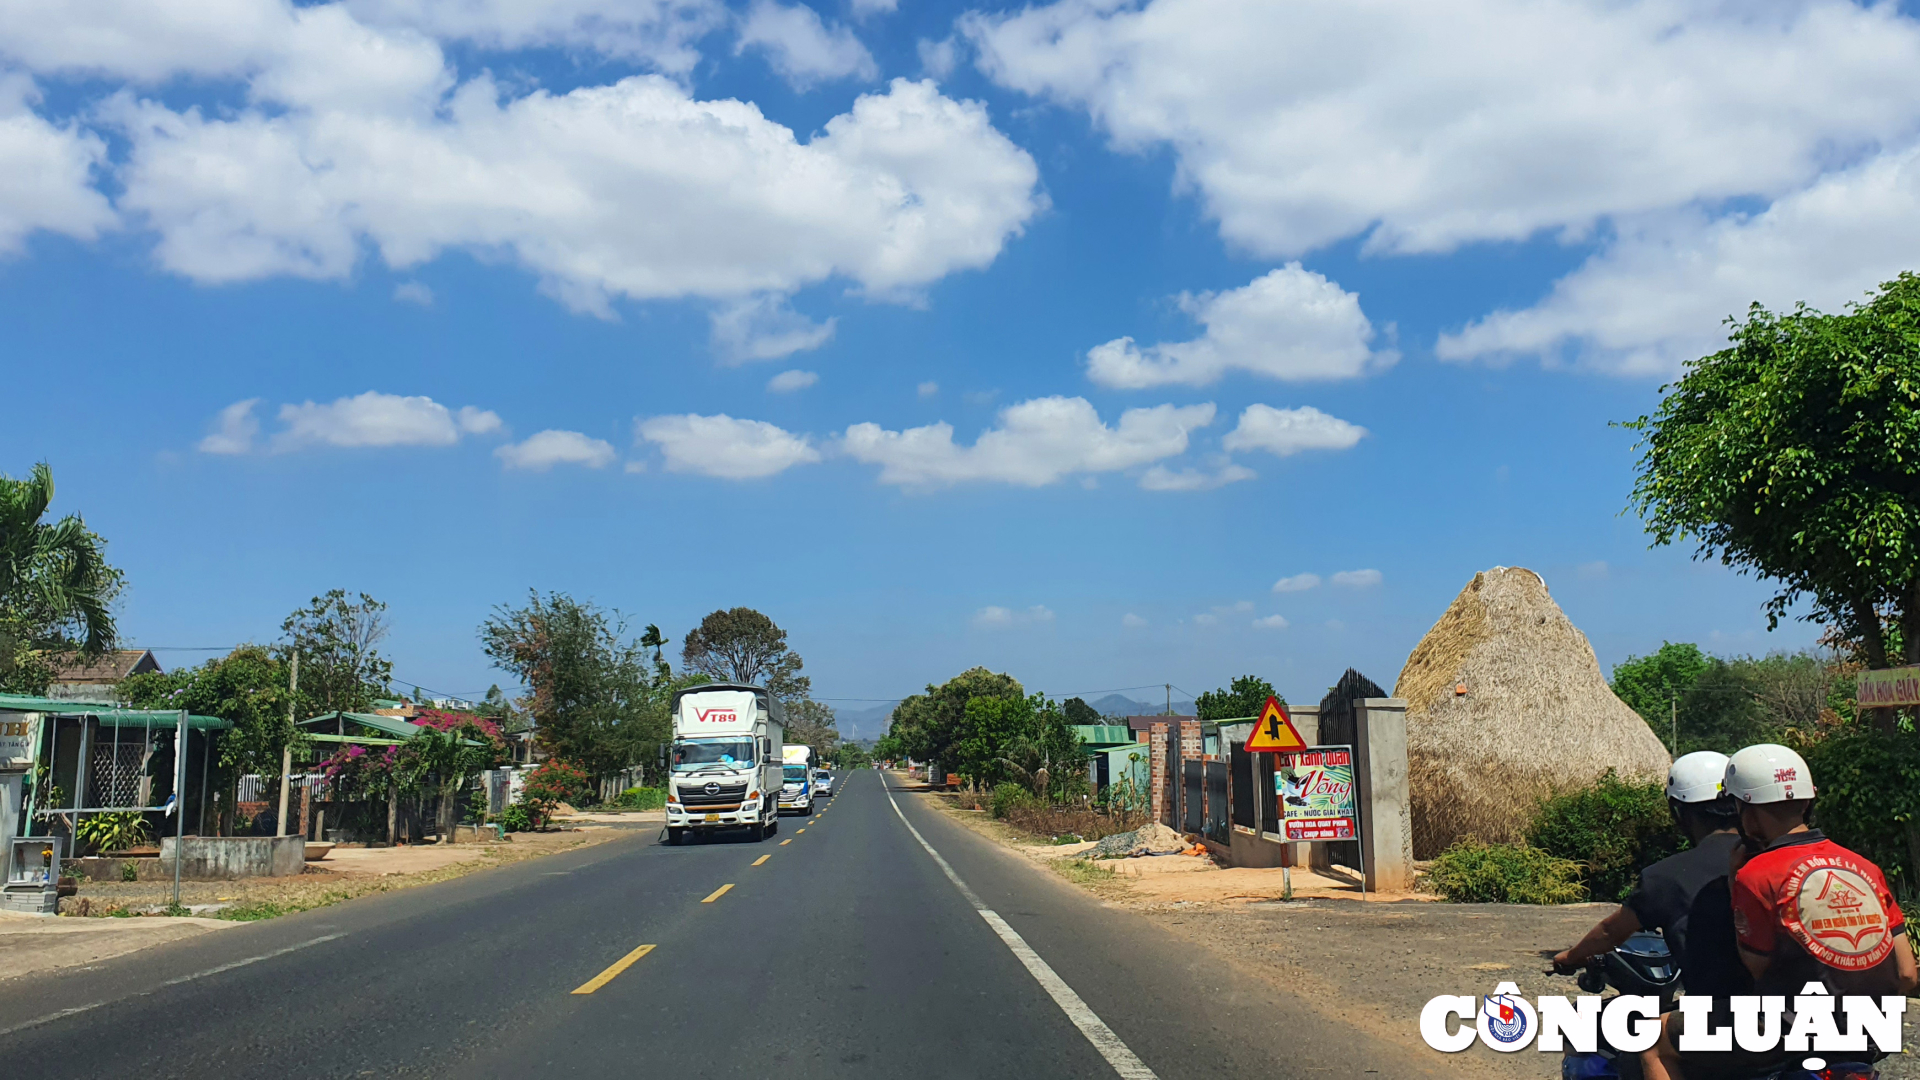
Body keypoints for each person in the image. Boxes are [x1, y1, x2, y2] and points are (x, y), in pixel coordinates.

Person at [1642, 744, 1918, 1080]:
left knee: (1652, 1039)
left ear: (1746, 809)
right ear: (1807, 801)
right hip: (1872, 1031)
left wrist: (1734, 884)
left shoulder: (1756, 874)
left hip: (1788, 1032)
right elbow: (1906, 973)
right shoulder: (1864, 868)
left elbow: (1756, 966)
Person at [1554, 751, 1741, 974]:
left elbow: (1610, 933)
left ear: (1679, 812)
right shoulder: (1768, 855)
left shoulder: (1666, 876)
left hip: (1712, 1006)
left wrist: (1570, 957)